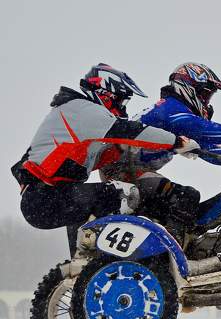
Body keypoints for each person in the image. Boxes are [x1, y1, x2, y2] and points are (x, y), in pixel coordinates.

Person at [11, 63, 199, 246]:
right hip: (46, 198)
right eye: (122, 101)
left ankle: (81, 259)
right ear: (107, 94)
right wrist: (176, 142)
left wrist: (153, 150)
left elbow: (102, 155)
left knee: (95, 200)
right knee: (125, 193)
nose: (123, 108)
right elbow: (129, 131)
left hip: (48, 198)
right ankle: (121, 252)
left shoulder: (71, 112)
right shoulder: (83, 109)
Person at [139, 62, 221, 172]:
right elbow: (200, 128)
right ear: (189, 87)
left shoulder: (179, 119)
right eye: (205, 95)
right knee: (182, 195)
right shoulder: (170, 107)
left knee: (188, 195)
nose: (206, 103)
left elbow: (208, 148)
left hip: (135, 172)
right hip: (127, 160)